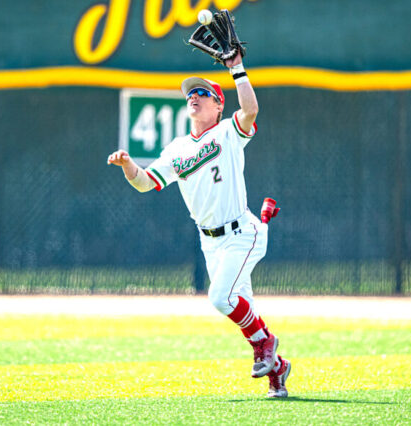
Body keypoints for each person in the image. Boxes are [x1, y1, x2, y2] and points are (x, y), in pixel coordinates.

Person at [107, 51, 291, 398]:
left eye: (203, 93)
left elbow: (250, 110)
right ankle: (278, 369)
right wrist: (129, 166)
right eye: (191, 93)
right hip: (211, 243)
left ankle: (265, 343)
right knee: (241, 305)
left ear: (218, 105)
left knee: (220, 297)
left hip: (241, 233)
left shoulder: (228, 132)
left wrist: (237, 68)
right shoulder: (176, 149)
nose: (194, 96)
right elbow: (145, 182)